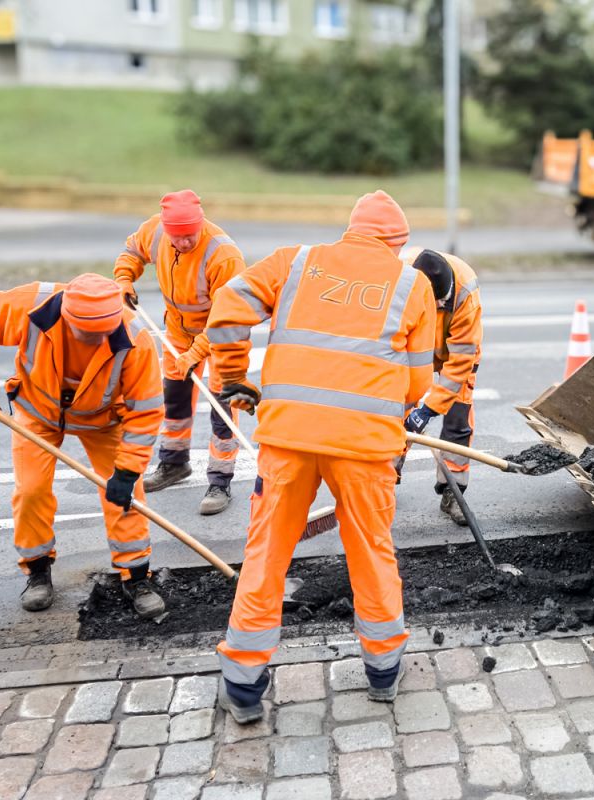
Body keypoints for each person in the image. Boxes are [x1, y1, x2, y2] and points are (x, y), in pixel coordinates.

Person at [207, 190, 436, 723]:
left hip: (288, 439)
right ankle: (383, 672)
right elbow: (417, 383)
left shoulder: (296, 261)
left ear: (350, 231)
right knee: (371, 554)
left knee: (266, 555)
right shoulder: (412, 284)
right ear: (396, 244)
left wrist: (234, 374)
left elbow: (227, 307)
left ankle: (242, 686)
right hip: (364, 447)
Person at [0, 274, 167, 618]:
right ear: (67, 317)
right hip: (38, 411)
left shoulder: (135, 339)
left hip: (103, 420)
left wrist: (128, 471)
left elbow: (146, 411)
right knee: (31, 491)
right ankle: (37, 571)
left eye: (104, 334)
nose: (97, 341)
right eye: (88, 334)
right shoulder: (31, 307)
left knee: (125, 495)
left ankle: (136, 576)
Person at [114, 190, 248, 515]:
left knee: (221, 407)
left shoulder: (223, 255)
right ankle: (174, 463)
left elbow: (226, 318)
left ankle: (220, 481)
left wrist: (196, 352)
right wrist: (123, 279)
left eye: (191, 235)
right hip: (177, 330)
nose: (185, 242)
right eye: (178, 237)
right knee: (175, 399)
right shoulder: (156, 231)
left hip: (223, 337)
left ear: (200, 225)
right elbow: (132, 251)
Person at [402, 248, 483, 525]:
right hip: (412, 351)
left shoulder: (465, 291)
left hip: (455, 351)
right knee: (395, 413)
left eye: (441, 303)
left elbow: (461, 360)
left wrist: (428, 410)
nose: (437, 307)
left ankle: (453, 492)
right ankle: (383, 482)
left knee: (458, 419)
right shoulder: (400, 278)